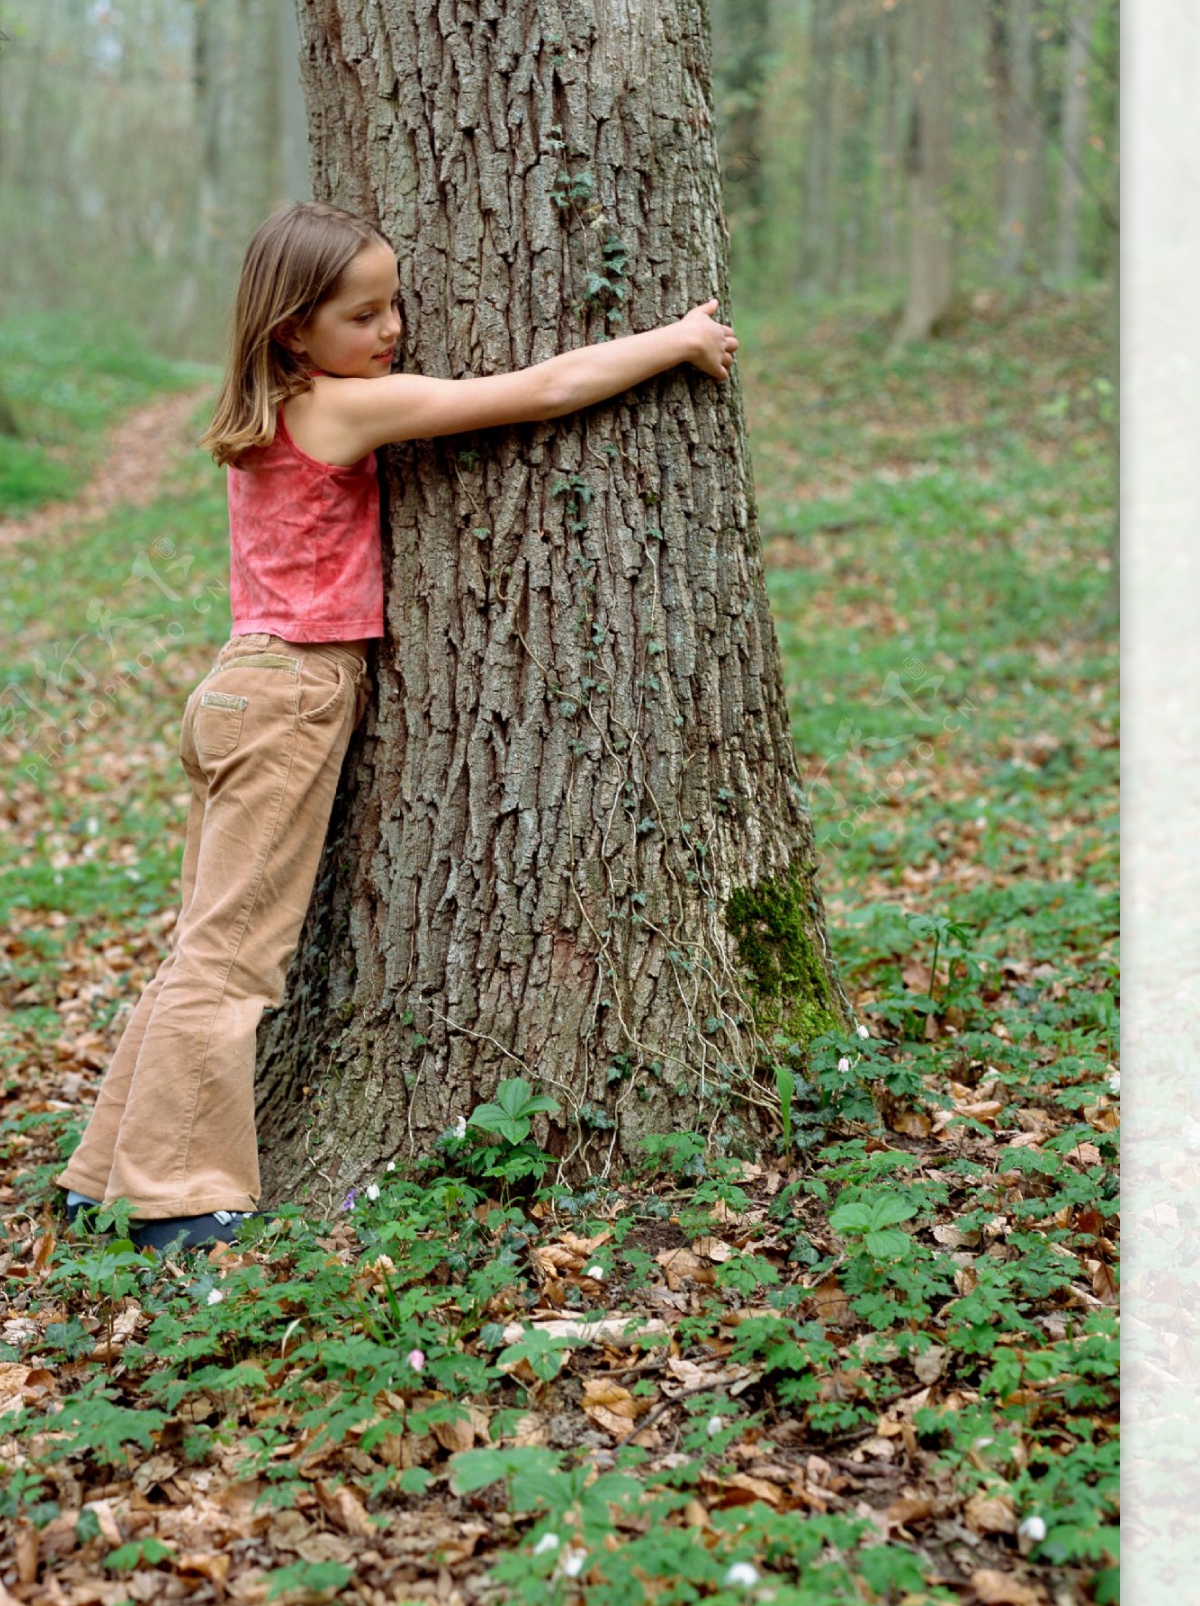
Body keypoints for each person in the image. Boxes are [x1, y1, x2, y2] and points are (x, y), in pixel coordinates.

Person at [53, 199, 737, 1252]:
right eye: (362, 315)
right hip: (289, 693)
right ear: (294, 330)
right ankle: (179, 1197)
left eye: (394, 306)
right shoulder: (336, 408)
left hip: (240, 687)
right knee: (233, 960)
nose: (391, 331)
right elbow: (539, 390)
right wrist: (679, 340)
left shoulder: (274, 404)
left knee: (199, 947)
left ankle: (102, 1174)